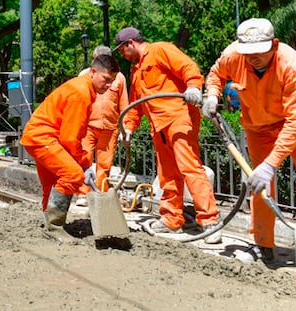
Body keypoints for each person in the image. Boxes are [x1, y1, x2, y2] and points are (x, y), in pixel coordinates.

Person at [202, 17, 296, 280]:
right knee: (260, 186)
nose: (253, 57)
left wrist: (270, 164)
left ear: (274, 44)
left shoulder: (292, 64)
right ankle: (261, 244)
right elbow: (215, 74)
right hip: (258, 127)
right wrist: (212, 94)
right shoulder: (233, 55)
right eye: (249, 52)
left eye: (260, 51)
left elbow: (295, 121)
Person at [116, 26, 222, 244]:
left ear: (131, 44)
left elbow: (188, 67)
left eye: (122, 50)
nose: (121, 55)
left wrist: (193, 87)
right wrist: (128, 127)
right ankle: (172, 218)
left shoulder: (160, 50)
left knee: (189, 168)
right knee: (168, 174)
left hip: (179, 119)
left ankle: (210, 221)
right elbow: (136, 106)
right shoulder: (136, 71)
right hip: (159, 127)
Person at [20, 54, 120, 240]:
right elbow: (70, 137)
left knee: (52, 184)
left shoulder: (82, 87)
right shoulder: (81, 93)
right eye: (106, 80)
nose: (108, 86)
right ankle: (54, 227)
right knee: (72, 175)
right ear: (93, 72)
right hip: (44, 138)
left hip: (39, 136)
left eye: (112, 82)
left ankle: (48, 223)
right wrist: (84, 164)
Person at [77, 46, 129, 197]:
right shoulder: (85, 75)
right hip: (88, 127)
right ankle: (82, 194)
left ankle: (99, 194)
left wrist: (125, 128)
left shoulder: (119, 78)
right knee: (84, 160)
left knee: (105, 165)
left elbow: (123, 103)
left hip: (110, 127)